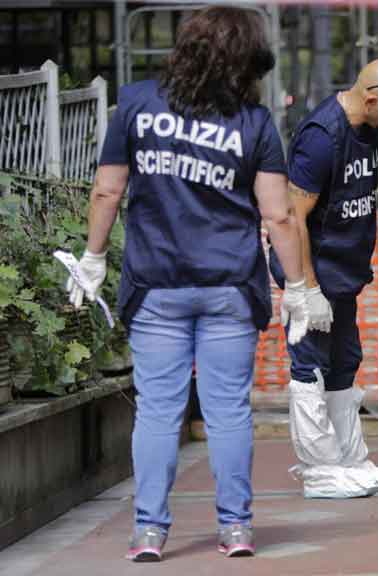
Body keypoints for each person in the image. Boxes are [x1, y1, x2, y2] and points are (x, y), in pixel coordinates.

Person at [64, 7, 309, 561]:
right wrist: (298, 287)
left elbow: (107, 191)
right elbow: (279, 215)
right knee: (228, 411)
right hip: (230, 286)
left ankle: (149, 532)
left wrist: (93, 257)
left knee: (157, 410)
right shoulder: (254, 122)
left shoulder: (136, 104)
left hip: (156, 284)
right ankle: (236, 528)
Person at [269, 59, 378, 499]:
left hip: (344, 273)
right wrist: (306, 289)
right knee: (309, 367)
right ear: (370, 99)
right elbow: (294, 216)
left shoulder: (368, 129)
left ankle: (350, 460)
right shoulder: (321, 137)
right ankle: (320, 472)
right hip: (314, 274)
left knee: (345, 362)